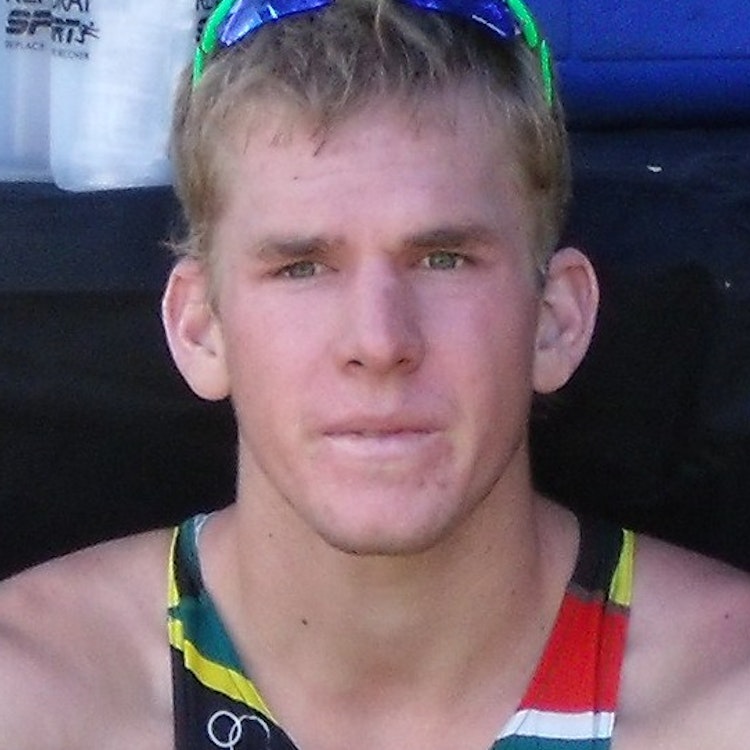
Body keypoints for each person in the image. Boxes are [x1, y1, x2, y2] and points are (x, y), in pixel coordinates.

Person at [1, 1, 750, 748]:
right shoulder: (34, 703)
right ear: (200, 329)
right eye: (301, 267)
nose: (379, 340)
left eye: (443, 260)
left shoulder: (724, 704)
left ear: (557, 319)